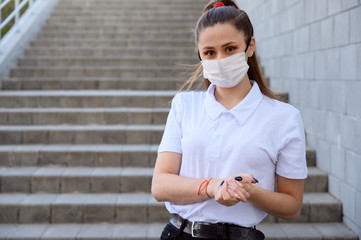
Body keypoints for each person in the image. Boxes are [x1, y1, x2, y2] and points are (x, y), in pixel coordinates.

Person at [151, 0, 307, 239]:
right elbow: (160, 185)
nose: (220, 60)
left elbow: (292, 205)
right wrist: (213, 187)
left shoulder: (284, 118)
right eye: (210, 53)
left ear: (250, 46)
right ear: (200, 56)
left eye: (230, 48)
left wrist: (246, 190)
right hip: (179, 233)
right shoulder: (184, 106)